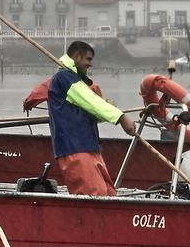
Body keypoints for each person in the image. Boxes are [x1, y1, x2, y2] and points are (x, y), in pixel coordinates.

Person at [47, 41, 137, 196]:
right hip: (74, 147)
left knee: (109, 193)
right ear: (76, 56)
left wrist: (107, 107)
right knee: (94, 194)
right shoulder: (64, 78)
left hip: (88, 146)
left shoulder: (75, 80)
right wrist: (120, 117)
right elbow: (91, 101)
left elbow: (90, 108)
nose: (90, 64)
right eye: (88, 59)